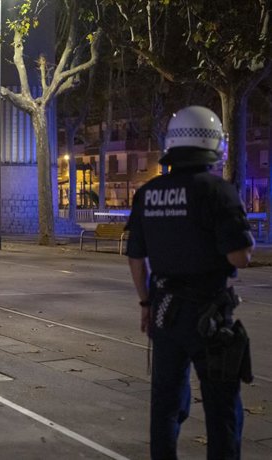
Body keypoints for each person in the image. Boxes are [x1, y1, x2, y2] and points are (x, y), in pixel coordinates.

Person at [125, 106, 255, 460]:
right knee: (221, 406)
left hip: (164, 312)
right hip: (210, 316)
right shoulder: (218, 191)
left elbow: (135, 257)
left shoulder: (147, 194)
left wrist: (146, 303)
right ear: (212, 146)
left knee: (165, 402)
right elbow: (238, 257)